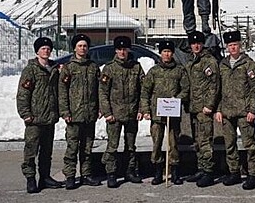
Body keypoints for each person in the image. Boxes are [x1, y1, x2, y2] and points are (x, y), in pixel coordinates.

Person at [17, 37, 64, 193]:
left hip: (49, 117)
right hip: (35, 119)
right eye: (43, 48)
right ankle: (31, 179)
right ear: (37, 51)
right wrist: (26, 114)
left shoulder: (54, 69)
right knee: (31, 151)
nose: (46, 51)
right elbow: (23, 94)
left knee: (46, 151)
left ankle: (45, 177)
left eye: (48, 48)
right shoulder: (30, 70)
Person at [215, 30, 255, 190]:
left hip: (244, 112)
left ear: (240, 45)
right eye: (230, 45)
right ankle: (234, 172)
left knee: (249, 145)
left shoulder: (249, 64)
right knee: (230, 144)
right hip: (227, 112)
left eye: (235, 45)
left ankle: (253, 174)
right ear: (227, 47)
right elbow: (218, 89)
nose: (233, 48)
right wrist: (219, 109)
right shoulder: (223, 65)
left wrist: (252, 110)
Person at [140, 40, 190, 185]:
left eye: (169, 52)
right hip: (157, 114)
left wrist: (177, 99)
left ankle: (174, 172)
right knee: (156, 144)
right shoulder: (154, 71)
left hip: (173, 114)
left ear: (172, 53)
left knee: (173, 144)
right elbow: (145, 92)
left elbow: (185, 89)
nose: (167, 54)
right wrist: (146, 110)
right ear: (160, 54)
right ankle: (157, 172)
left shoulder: (179, 70)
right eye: (164, 52)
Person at [99, 36, 145, 188]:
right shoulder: (109, 68)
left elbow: (143, 90)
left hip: (132, 113)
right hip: (115, 115)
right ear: (116, 50)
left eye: (125, 49)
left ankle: (130, 171)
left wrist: (141, 109)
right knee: (112, 146)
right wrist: (107, 113)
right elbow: (103, 93)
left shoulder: (136, 67)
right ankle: (111, 173)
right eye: (119, 49)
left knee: (131, 146)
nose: (122, 52)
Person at [58, 34, 101, 189]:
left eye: (85, 46)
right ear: (74, 48)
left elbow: (99, 90)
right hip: (74, 115)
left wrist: (99, 108)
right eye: (80, 46)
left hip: (90, 114)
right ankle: (70, 176)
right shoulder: (69, 68)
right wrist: (65, 111)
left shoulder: (93, 67)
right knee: (72, 148)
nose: (82, 49)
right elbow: (62, 91)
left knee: (87, 148)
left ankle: (86, 175)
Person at [183, 31, 220, 187]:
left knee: (205, 141)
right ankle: (201, 168)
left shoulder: (208, 61)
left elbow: (214, 85)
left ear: (203, 44)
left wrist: (209, 105)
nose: (196, 46)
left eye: (198, 43)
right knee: (198, 141)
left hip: (204, 109)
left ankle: (209, 172)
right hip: (193, 108)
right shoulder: (190, 61)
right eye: (193, 43)